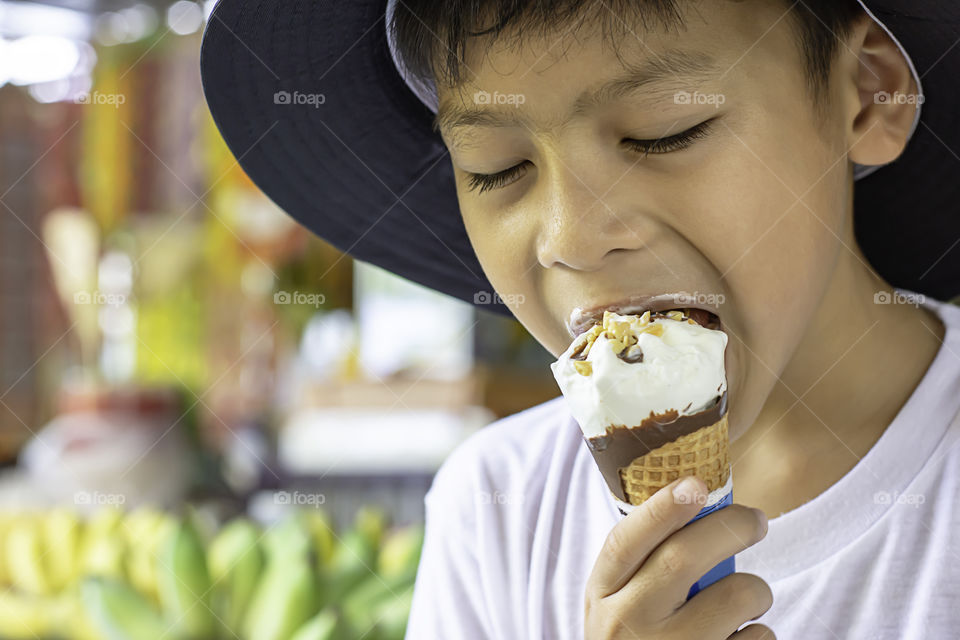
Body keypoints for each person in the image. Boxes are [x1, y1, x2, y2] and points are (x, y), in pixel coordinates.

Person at [200, 1, 960, 637]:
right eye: (497, 168)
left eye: (663, 131)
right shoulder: (499, 511)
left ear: (865, 94)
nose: (570, 237)